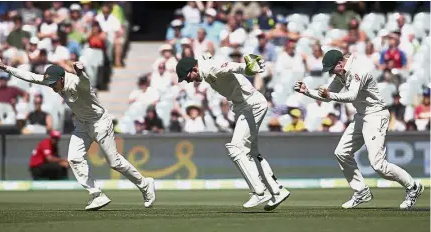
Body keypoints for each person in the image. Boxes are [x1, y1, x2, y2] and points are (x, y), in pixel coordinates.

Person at [0, 52, 155, 211]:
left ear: (62, 79)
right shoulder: (53, 79)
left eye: (53, 84)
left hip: (100, 123)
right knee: (74, 158)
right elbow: (31, 76)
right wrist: (5, 67)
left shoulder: (77, 83)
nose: (51, 86)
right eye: (49, 83)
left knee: (114, 163)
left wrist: (81, 73)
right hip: (82, 124)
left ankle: (144, 184)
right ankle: (96, 194)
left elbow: (85, 83)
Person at [294, 50, 424, 209]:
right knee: (341, 152)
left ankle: (413, 187)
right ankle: (361, 191)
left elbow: (351, 96)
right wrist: (307, 92)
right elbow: (329, 95)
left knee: (378, 165)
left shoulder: (359, 70)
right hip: (361, 116)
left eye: (331, 68)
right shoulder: (340, 74)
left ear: (340, 64)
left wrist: (329, 95)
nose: (329, 72)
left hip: (376, 115)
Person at [175, 54, 290, 211]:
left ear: (194, 69)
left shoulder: (210, 69)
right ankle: (278, 191)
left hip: (251, 106)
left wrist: (247, 68)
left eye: (187, 76)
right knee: (252, 152)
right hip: (247, 106)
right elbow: (213, 61)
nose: (188, 81)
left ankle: (259, 192)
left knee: (235, 148)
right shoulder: (205, 67)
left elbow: (230, 66)